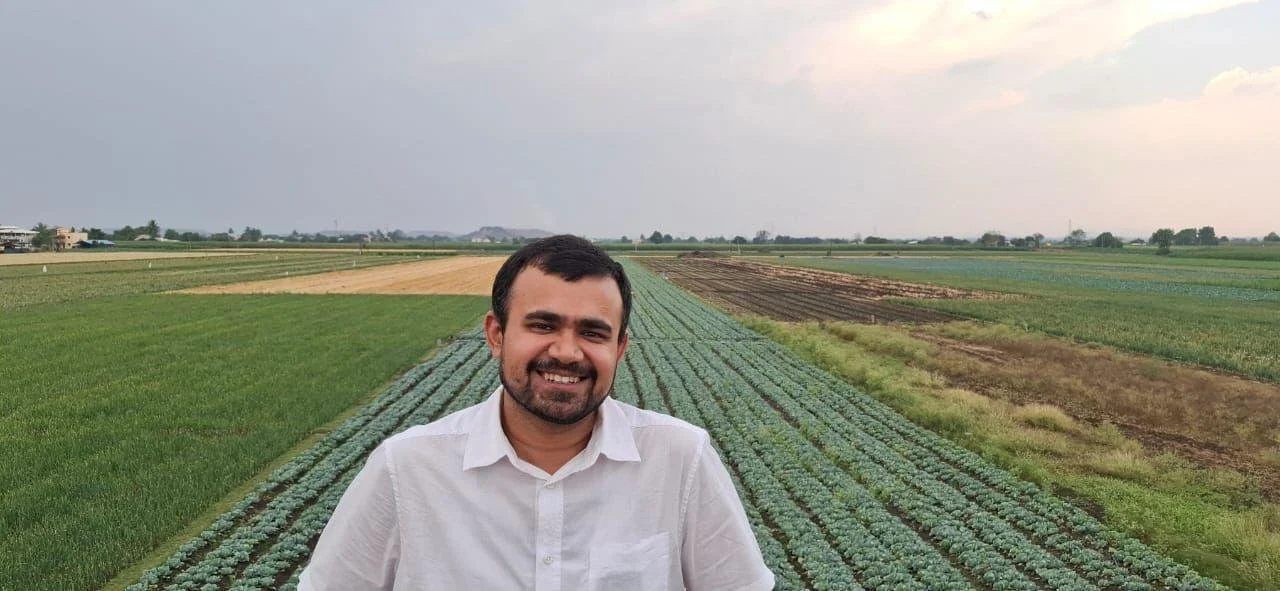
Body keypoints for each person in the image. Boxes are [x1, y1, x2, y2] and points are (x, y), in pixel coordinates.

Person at [299, 235, 774, 590]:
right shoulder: (407, 469)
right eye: (543, 325)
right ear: (496, 334)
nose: (567, 352)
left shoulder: (680, 459)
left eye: (593, 332)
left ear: (620, 348)